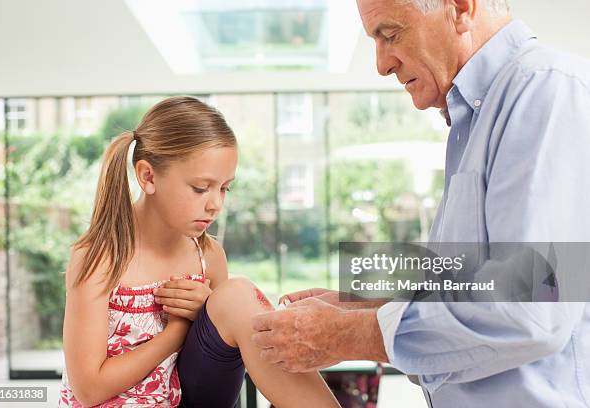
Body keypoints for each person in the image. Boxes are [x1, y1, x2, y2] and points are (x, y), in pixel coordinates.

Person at [251, 1, 590, 407]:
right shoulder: (471, 121)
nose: (381, 65)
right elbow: (479, 281)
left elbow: (530, 306)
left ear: (461, 9)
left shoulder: (545, 91)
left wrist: (349, 334)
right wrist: (359, 306)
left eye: (390, 35)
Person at [59, 96, 340, 407]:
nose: (215, 204)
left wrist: (207, 311)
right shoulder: (98, 257)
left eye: (224, 188)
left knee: (236, 295)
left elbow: (223, 360)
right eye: (200, 188)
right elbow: (89, 389)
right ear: (148, 176)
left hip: (190, 398)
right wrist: (179, 329)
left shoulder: (208, 256)